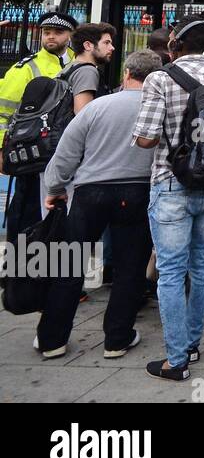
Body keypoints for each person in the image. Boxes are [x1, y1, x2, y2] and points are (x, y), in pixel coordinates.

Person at [132, 15, 204, 382]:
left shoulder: (159, 79)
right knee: (203, 265)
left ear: (173, 45)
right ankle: (194, 343)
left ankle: (176, 360)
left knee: (170, 272)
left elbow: (147, 138)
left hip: (171, 185)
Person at [35, 50, 161, 359]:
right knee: (130, 268)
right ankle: (117, 339)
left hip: (91, 193)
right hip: (138, 193)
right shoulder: (160, 109)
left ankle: (52, 339)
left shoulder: (97, 107)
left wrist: (55, 188)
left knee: (70, 263)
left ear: (126, 74)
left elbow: (66, 153)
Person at [1, 11, 77, 245]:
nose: (50, 37)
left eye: (58, 32)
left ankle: (47, 272)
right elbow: (3, 113)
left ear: (70, 35)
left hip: (66, 152)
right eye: (46, 32)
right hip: (32, 154)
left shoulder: (78, 62)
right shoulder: (24, 68)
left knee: (61, 215)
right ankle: (17, 270)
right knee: (26, 212)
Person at [64, 22, 115, 113]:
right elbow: (82, 115)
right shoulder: (87, 71)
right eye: (106, 43)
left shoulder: (69, 67)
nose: (112, 48)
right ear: (88, 45)